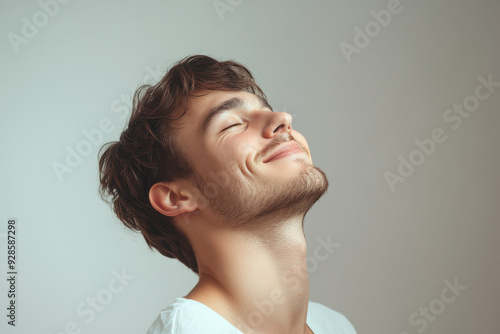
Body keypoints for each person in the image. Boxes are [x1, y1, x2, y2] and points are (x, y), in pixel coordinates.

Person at [98, 55, 356, 334]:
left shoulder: (335, 326)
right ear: (176, 197)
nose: (283, 119)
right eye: (232, 124)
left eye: (268, 109)